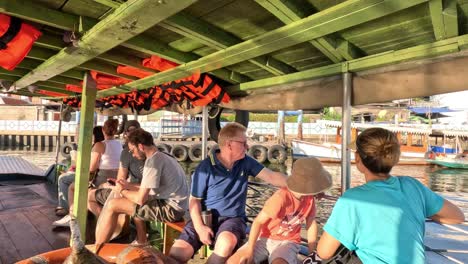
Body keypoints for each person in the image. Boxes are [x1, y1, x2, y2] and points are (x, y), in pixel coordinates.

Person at [317, 127, 465, 264]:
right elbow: (457, 216)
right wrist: (419, 211)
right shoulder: (413, 186)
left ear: (357, 159)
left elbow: (324, 252)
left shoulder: (352, 199)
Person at [169, 122, 288, 264]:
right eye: (243, 143)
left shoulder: (246, 162)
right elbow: (194, 201)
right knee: (177, 254)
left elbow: (272, 177)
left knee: (225, 242)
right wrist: (200, 228)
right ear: (229, 144)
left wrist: (305, 185)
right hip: (204, 218)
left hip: (233, 219)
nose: (247, 147)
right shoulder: (205, 167)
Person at [94, 128, 189, 247]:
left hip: (171, 209)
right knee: (128, 200)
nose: (132, 154)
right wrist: (128, 185)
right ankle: (141, 239)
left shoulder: (152, 162)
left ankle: (97, 249)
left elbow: (140, 199)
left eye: (132, 150)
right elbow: (146, 187)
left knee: (113, 205)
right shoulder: (162, 156)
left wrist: (122, 190)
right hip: (177, 205)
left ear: (141, 147)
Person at [227, 157, 332, 264]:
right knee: (235, 261)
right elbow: (258, 222)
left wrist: (311, 253)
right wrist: (249, 249)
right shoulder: (280, 198)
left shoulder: (310, 198)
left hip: (289, 241)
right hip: (264, 237)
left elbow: (311, 223)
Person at [53, 119, 122, 227]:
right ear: (116, 131)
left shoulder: (100, 145)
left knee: (72, 187)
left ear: (103, 130)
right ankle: (105, 221)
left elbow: (91, 168)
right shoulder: (119, 144)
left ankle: (72, 216)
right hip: (115, 180)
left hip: (101, 182)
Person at [88, 120, 145, 217]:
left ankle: (104, 219)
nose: (134, 154)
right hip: (132, 188)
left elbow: (91, 169)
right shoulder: (120, 146)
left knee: (87, 196)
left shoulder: (101, 145)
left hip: (128, 189)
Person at [55, 126, 104, 217]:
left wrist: (76, 168)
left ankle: (66, 208)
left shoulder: (97, 147)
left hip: (90, 177)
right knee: (67, 175)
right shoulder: (107, 146)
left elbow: (91, 168)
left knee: (63, 179)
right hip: (92, 174)